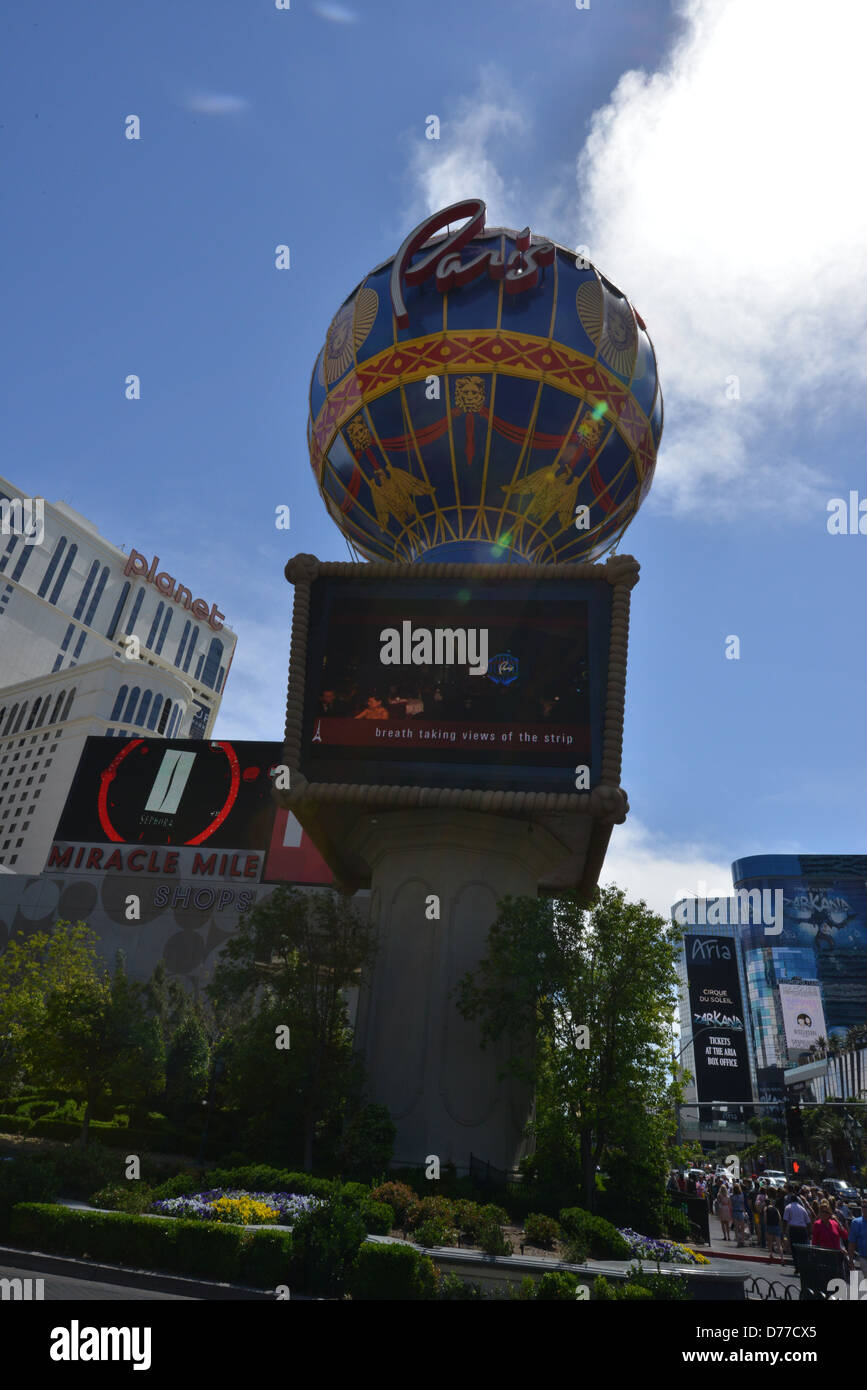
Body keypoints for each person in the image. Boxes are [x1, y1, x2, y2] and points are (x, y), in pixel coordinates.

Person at [811, 1199, 849, 1279]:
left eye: (826, 1212)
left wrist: (838, 1221)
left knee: (837, 1282)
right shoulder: (817, 1224)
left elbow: (845, 1235)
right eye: (822, 1211)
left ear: (830, 1214)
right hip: (823, 1257)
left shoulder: (834, 1223)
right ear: (820, 1213)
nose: (824, 1214)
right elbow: (814, 1242)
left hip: (836, 1257)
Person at [783, 1188, 813, 1263]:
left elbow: (785, 1220)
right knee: (802, 1248)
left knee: (794, 1247)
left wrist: (783, 1231)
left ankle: (797, 1264)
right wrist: (809, 1233)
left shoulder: (788, 1207)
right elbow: (808, 1222)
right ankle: (802, 1263)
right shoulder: (802, 1209)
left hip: (794, 1229)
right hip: (803, 1230)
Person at [847, 1200, 867, 1274]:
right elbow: (852, 1243)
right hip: (864, 1259)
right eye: (864, 1207)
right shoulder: (856, 1223)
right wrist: (851, 1260)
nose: (865, 1209)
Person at [765, 1187, 783, 1262]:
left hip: (770, 1227)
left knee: (770, 1242)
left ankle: (771, 1255)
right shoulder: (776, 1209)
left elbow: (765, 1219)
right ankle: (782, 1259)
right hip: (776, 1227)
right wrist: (780, 1227)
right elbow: (779, 1218)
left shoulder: (766, 1209)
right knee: (779, 1244)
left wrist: (766, 1227)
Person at [731, 1183, 747, 1247]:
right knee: (742, 1227)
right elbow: (743, 1204)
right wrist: (745, 1212)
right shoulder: (741, 1195)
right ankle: (742, 1240)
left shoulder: (732, 1196)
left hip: (734, 1211)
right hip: (740, 1212)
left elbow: (731, 1205)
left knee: (736, 1228)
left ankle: (738, 1241)